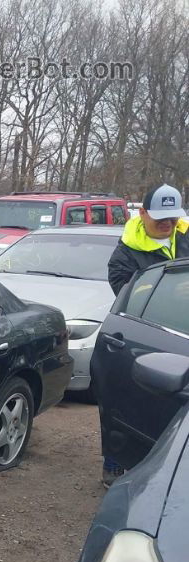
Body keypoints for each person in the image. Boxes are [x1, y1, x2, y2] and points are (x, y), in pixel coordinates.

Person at [101, 184, 189, 487]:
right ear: (143, 213)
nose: (167, 224)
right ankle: (115, 462)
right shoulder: (126, 252)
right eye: (160, 217)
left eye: (173, 217)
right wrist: (169, 292)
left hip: (185, 333)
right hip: (147, 335)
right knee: (131, 401)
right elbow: (128, 296)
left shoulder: (186, 237)